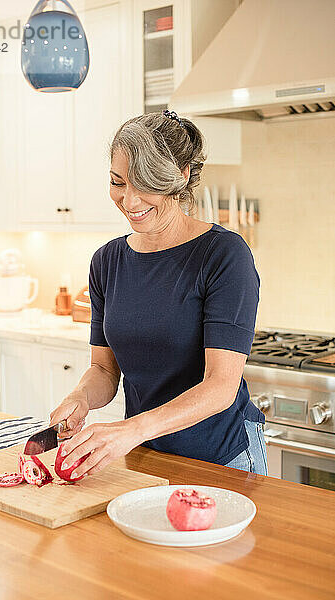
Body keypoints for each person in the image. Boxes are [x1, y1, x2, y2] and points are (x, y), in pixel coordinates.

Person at [49, 110, 267, 479]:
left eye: (146, 183)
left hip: (221, 457)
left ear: (181, 177)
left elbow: (220, 386)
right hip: (145, 456)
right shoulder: (107, 261)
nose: (130, 200)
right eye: (118, 182)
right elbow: (104, 368)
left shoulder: (224, 254)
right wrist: (80, 398)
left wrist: (132, 430)